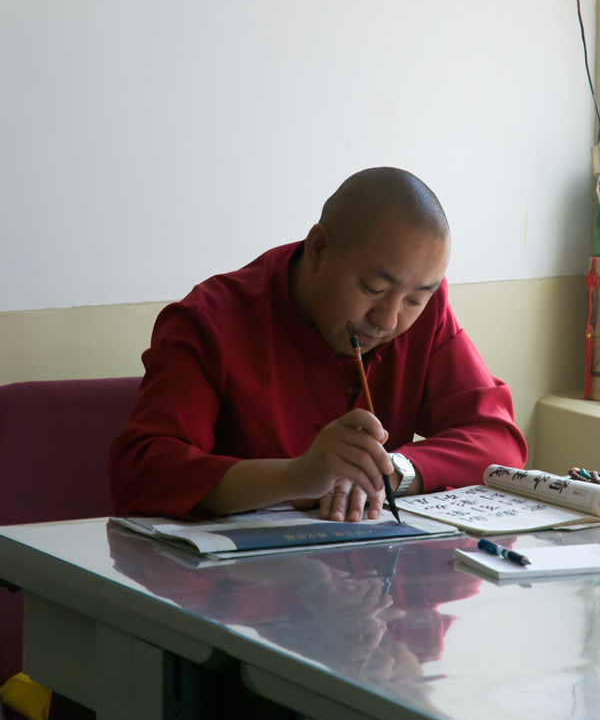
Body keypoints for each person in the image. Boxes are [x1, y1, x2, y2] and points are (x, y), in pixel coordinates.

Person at [109, 167, 527, 521]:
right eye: (372, 287)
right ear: (319, 249)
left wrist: (390, 470)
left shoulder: (425, 316)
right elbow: (143, 472)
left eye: (415, 298)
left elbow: (497, 440)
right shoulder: (211, 321)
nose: (388, 320)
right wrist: (298, 477)